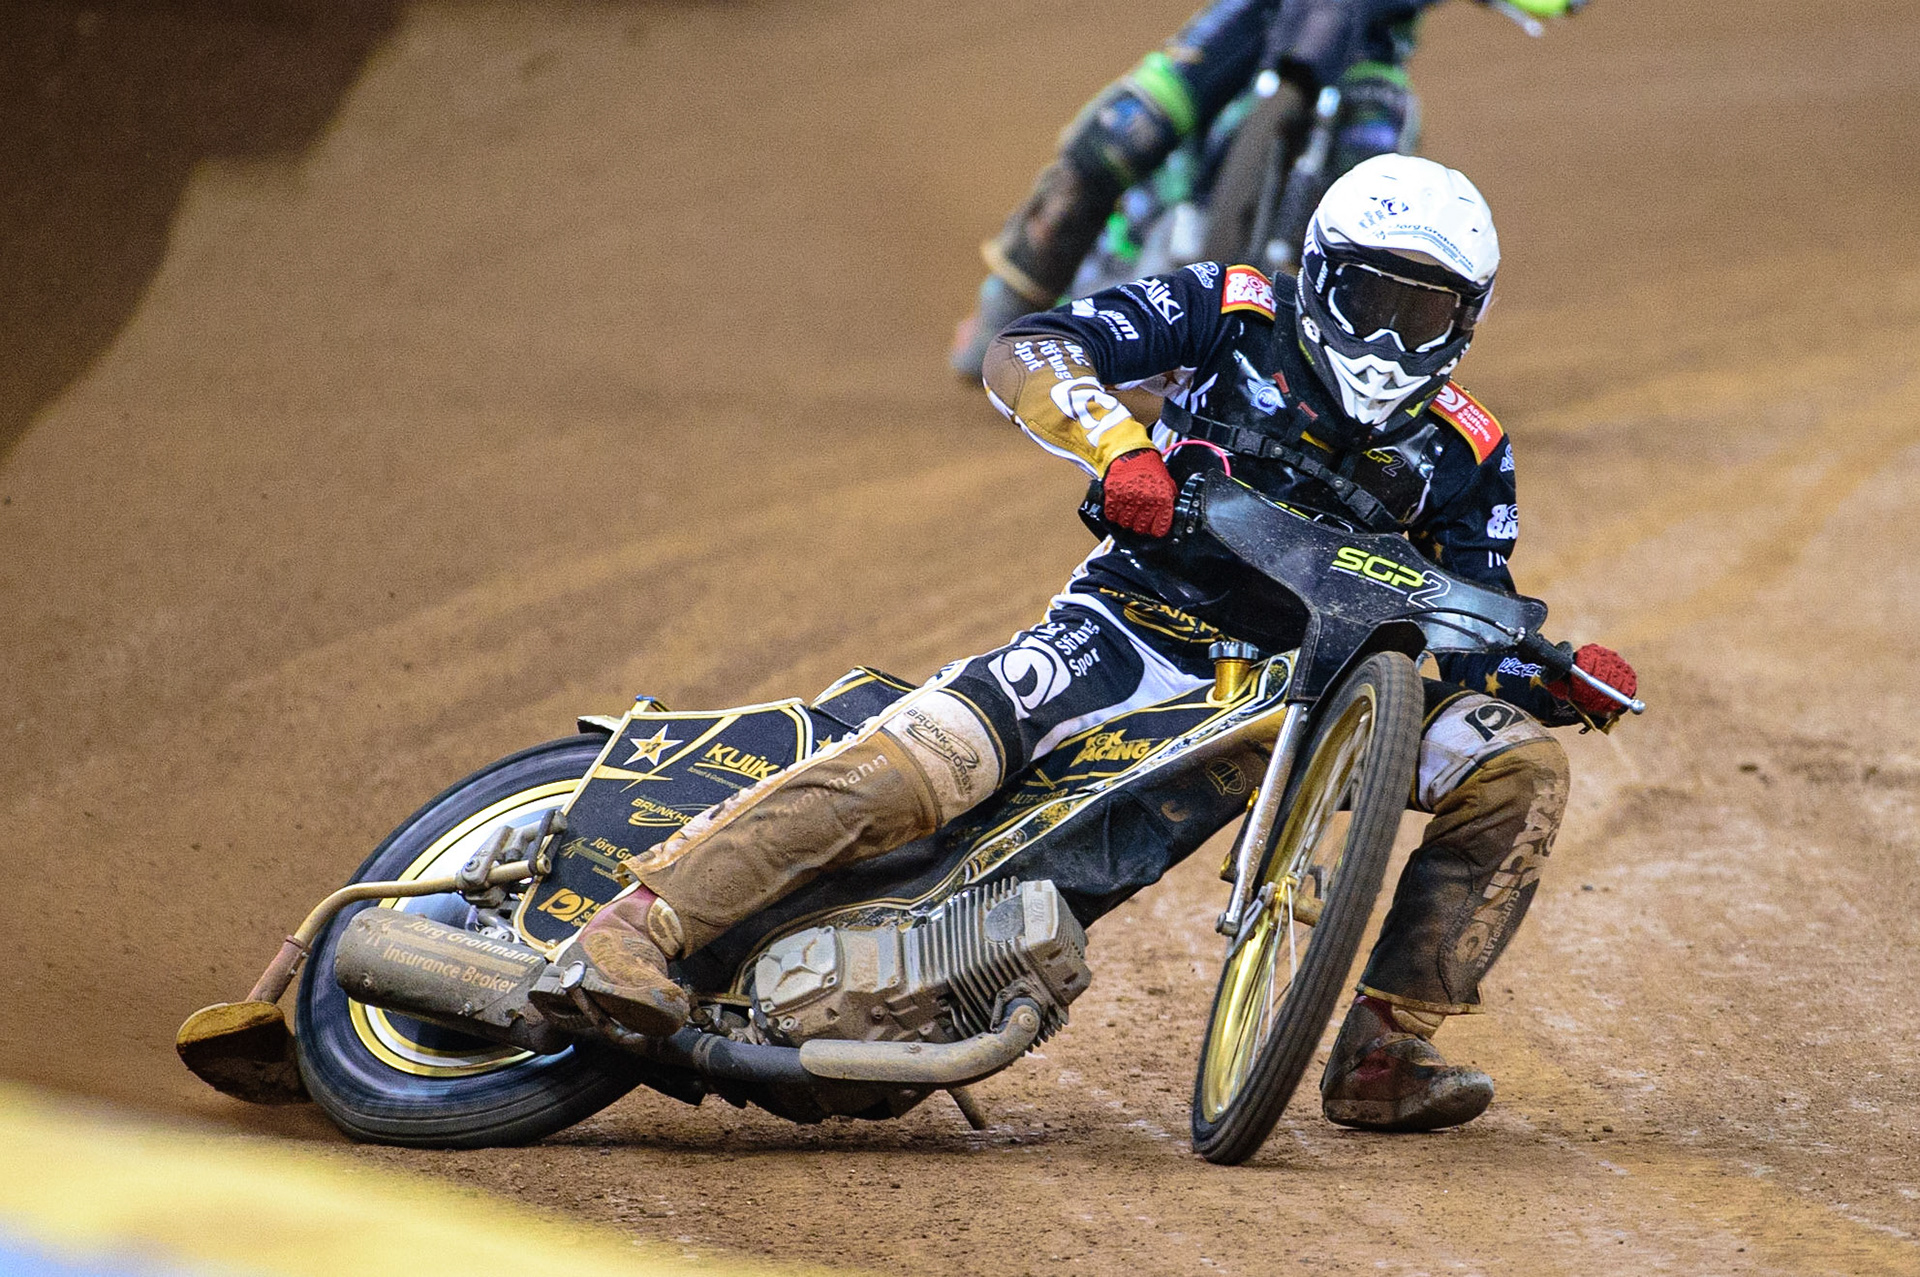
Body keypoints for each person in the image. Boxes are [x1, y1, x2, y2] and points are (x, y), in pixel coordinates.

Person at [535, 154, 1635, 1133]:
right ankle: (637, 926)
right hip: (1126, 629)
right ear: (1319, 272)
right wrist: (1118, 449)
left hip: (1304, 709)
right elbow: (1033, 345)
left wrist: (1553, 675)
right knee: (937, 757)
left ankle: (1389, 1049)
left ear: (1469, 320)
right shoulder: (1232, 308)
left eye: (1426, 310)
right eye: (1375, 297)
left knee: (1519, 760)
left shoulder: (1468, 452)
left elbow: (1472, 618)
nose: (1395, 337)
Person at [948, 0, 1585, 378]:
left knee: (1377, 172)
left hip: (1365, 47)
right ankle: (1003, 308)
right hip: (1256, 19)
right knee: (1119, 139)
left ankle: (1339, 365)